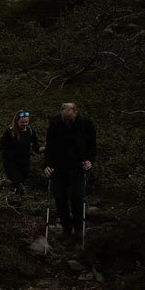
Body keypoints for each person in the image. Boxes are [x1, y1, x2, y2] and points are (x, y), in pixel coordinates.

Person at [43, 102, 96, 239]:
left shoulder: (85, 123)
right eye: (64, 118)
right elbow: (49, 147)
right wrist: (47, 165)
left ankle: (78, 226)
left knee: (77, 197)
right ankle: (66, 227)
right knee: (59, 198)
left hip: (78, 166)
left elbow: (92, 145)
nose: (67, 121)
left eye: (70, 118)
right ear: (61, 113)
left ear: (75, 112)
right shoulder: (54, 124)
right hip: (58, 167)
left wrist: (90, 160)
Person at [0, 110, 42, 196]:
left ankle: (15, 197)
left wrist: (47, 148)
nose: (24, 124)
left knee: (22, 179)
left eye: (26, 122)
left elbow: (36, 148)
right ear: (17, 121)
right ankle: (13, 199)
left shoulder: (31, 131)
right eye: (22, 122)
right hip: (11, 162)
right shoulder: (10, 132)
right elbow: (1, 144)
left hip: (24, 162)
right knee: (16, 180)